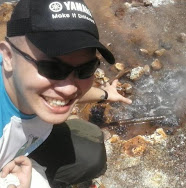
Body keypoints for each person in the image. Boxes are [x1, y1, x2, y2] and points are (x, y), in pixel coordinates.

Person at [0, 0, 132, 187]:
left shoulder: (28, 83)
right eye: (52, 68)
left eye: (86, 69)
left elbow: (67, 89)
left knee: (91, 148)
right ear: (8, 56)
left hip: (26, 146)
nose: (69, 88)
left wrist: (104, 94)